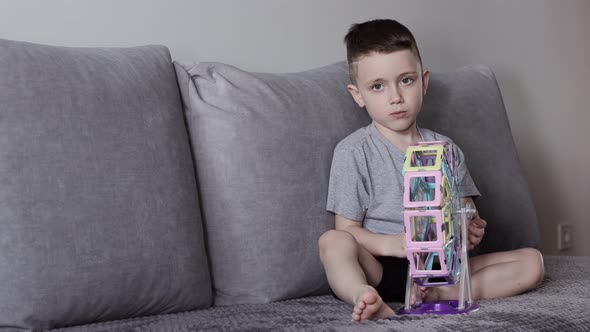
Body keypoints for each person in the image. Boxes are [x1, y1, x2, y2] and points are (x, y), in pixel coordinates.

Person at [318, 19, 545, 322]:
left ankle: (437, 294)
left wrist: (470, 226)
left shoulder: (445, 148)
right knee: (332, 243)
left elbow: (465, 209)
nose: (395, 96)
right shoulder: (353, 152)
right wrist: (394, 243)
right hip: (382, 267)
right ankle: (363, 295)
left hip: (442, 268)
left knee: (532, 263)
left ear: (423, 81)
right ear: (358, 94)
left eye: (406, 80)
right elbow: (346, 230)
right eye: (377, 86)